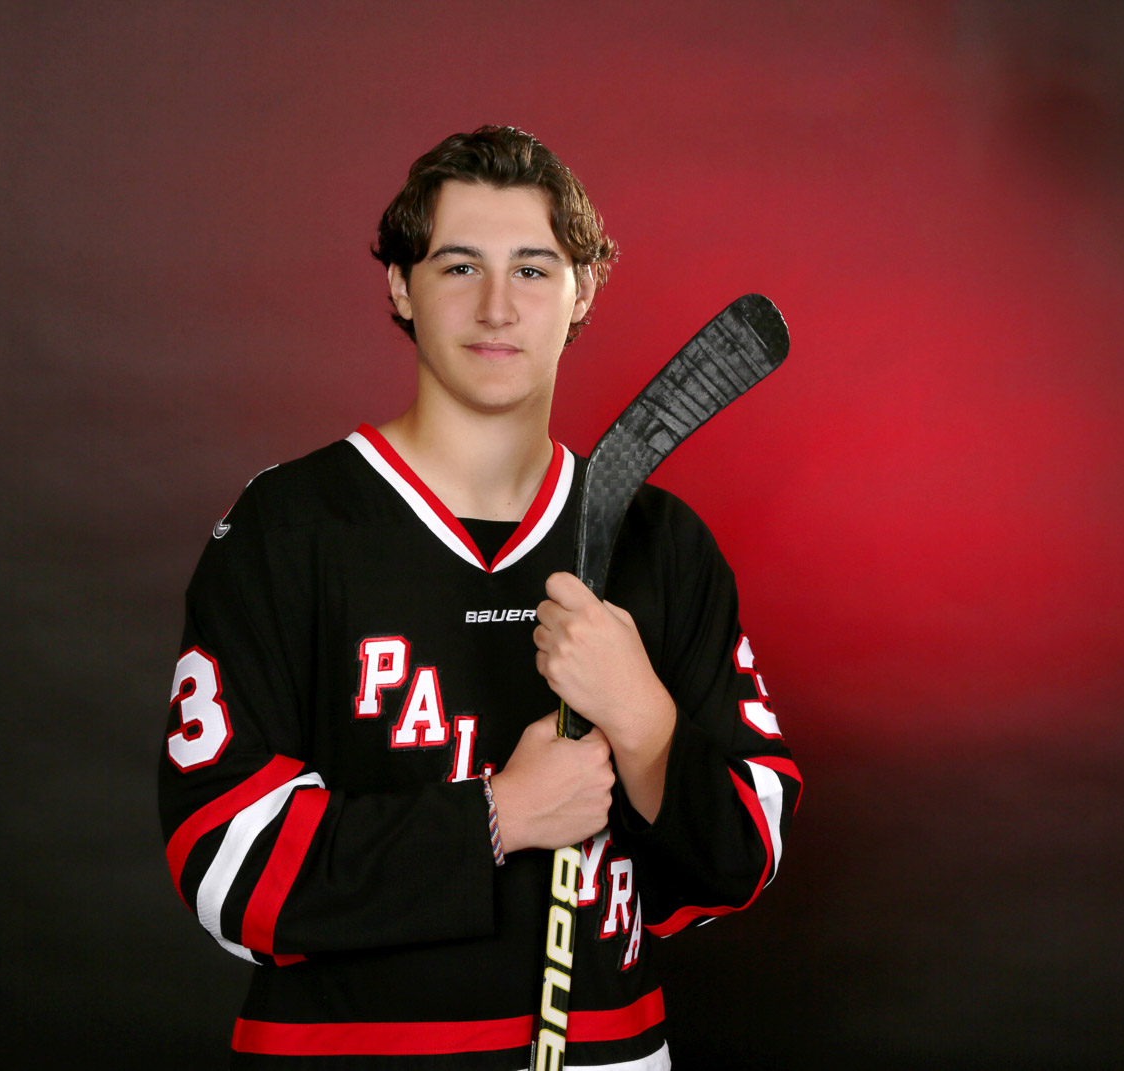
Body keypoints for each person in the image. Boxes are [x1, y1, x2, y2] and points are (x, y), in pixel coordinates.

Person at [159, 125, 799, 1070]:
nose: (497, 306)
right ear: (399, 286)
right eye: (459, 266)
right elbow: (222, 860)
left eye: (534, 270)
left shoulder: (662, 544)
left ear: (584, 289)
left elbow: (739, 861)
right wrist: (500, 815)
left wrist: (645, 722)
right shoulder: (289, 528)